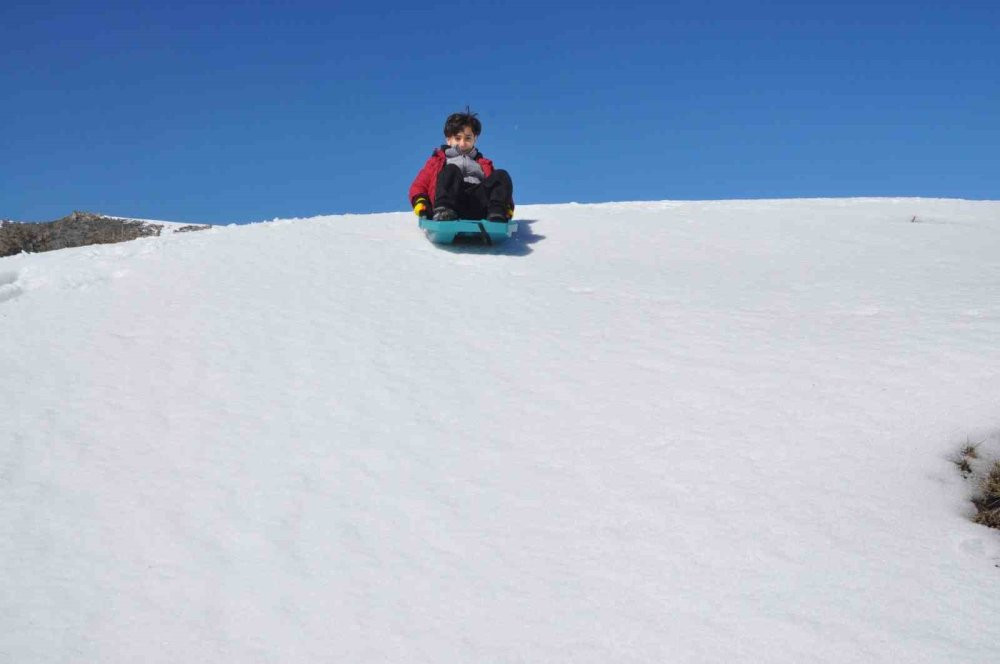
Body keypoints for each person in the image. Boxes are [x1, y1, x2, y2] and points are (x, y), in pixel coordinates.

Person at [409, 109, 514, 222]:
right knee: (451, 170)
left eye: (468, 138)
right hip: (453, 202)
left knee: (501, 175)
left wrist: (507, 206)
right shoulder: (437, 161)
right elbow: (420, 184)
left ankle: (497, 213)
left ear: (475, 139)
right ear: (448, 140)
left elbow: (500, 189)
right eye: (457, 138)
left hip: (479, 203)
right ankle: (443, 211)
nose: (462, 143)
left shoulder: (484, 164)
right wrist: (421, 202)